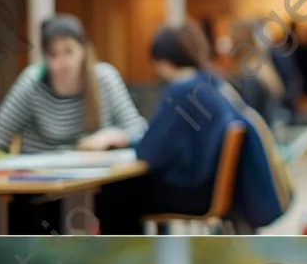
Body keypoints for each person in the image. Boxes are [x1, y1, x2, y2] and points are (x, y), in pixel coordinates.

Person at [97, 22, 293, 233]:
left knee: (112, 194)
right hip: (213, 188)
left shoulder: (182, 90)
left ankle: (126, 261)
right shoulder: (213, 83)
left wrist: (124, 141)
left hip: (195, 193)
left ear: (162, 60)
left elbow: (149, 153)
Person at [0, 14, 147, 156]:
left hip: (96, 183)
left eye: (68, 51)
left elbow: (140, 131)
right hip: (40, 184)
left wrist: (112, 136)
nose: (60, 63)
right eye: (53, 54)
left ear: (83, 51)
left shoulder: (104, 78)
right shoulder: (32, 81)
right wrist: (15, 178)